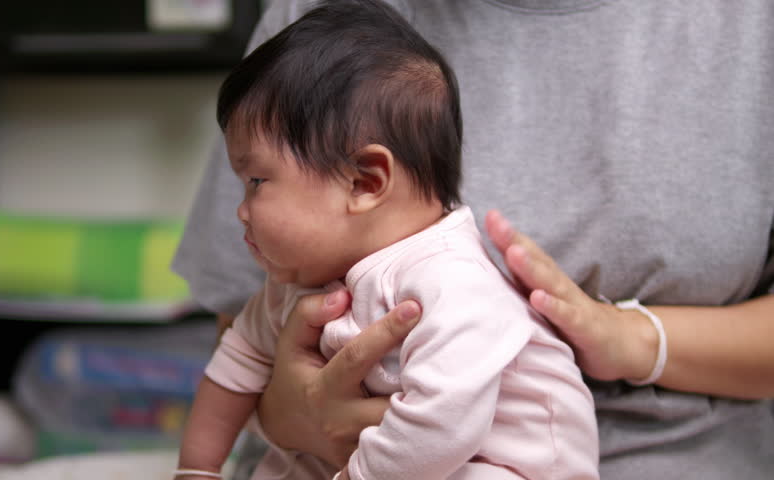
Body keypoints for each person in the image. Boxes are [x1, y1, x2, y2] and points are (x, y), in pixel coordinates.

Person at [174, 0, 774, 478]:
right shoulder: (292, 279)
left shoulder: (445, 287)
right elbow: (238, 361)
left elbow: (445, 426)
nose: (242, 212)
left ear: (366, 180)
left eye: (256, 184)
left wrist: (631, 338)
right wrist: (240, 446)